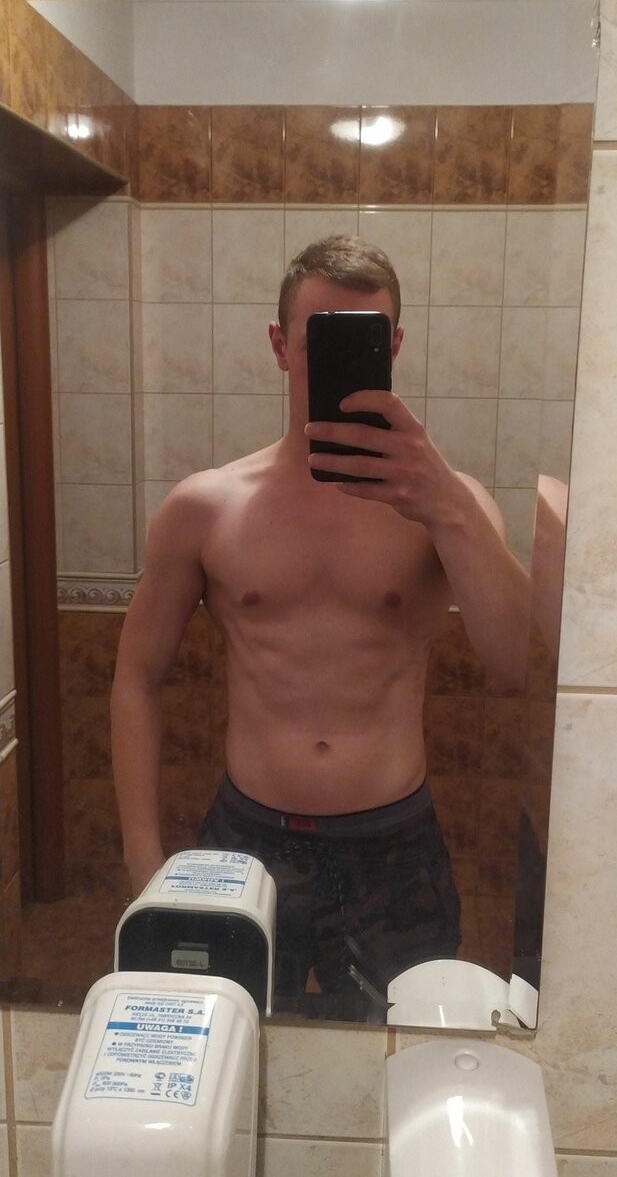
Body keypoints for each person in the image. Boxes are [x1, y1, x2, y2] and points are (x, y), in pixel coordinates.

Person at [111, 235, 530, 1014]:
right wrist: (143, 857)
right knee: (233, 1050)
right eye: (318, 341)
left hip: (395, 846)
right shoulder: (206, 506)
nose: (336, 361)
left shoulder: (452, 505)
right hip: (247, 838)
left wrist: (446, 505)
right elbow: (136, 677)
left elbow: (516, 665)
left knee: (394, 1061)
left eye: (365, 340)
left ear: (394, 347)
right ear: (280, 346)